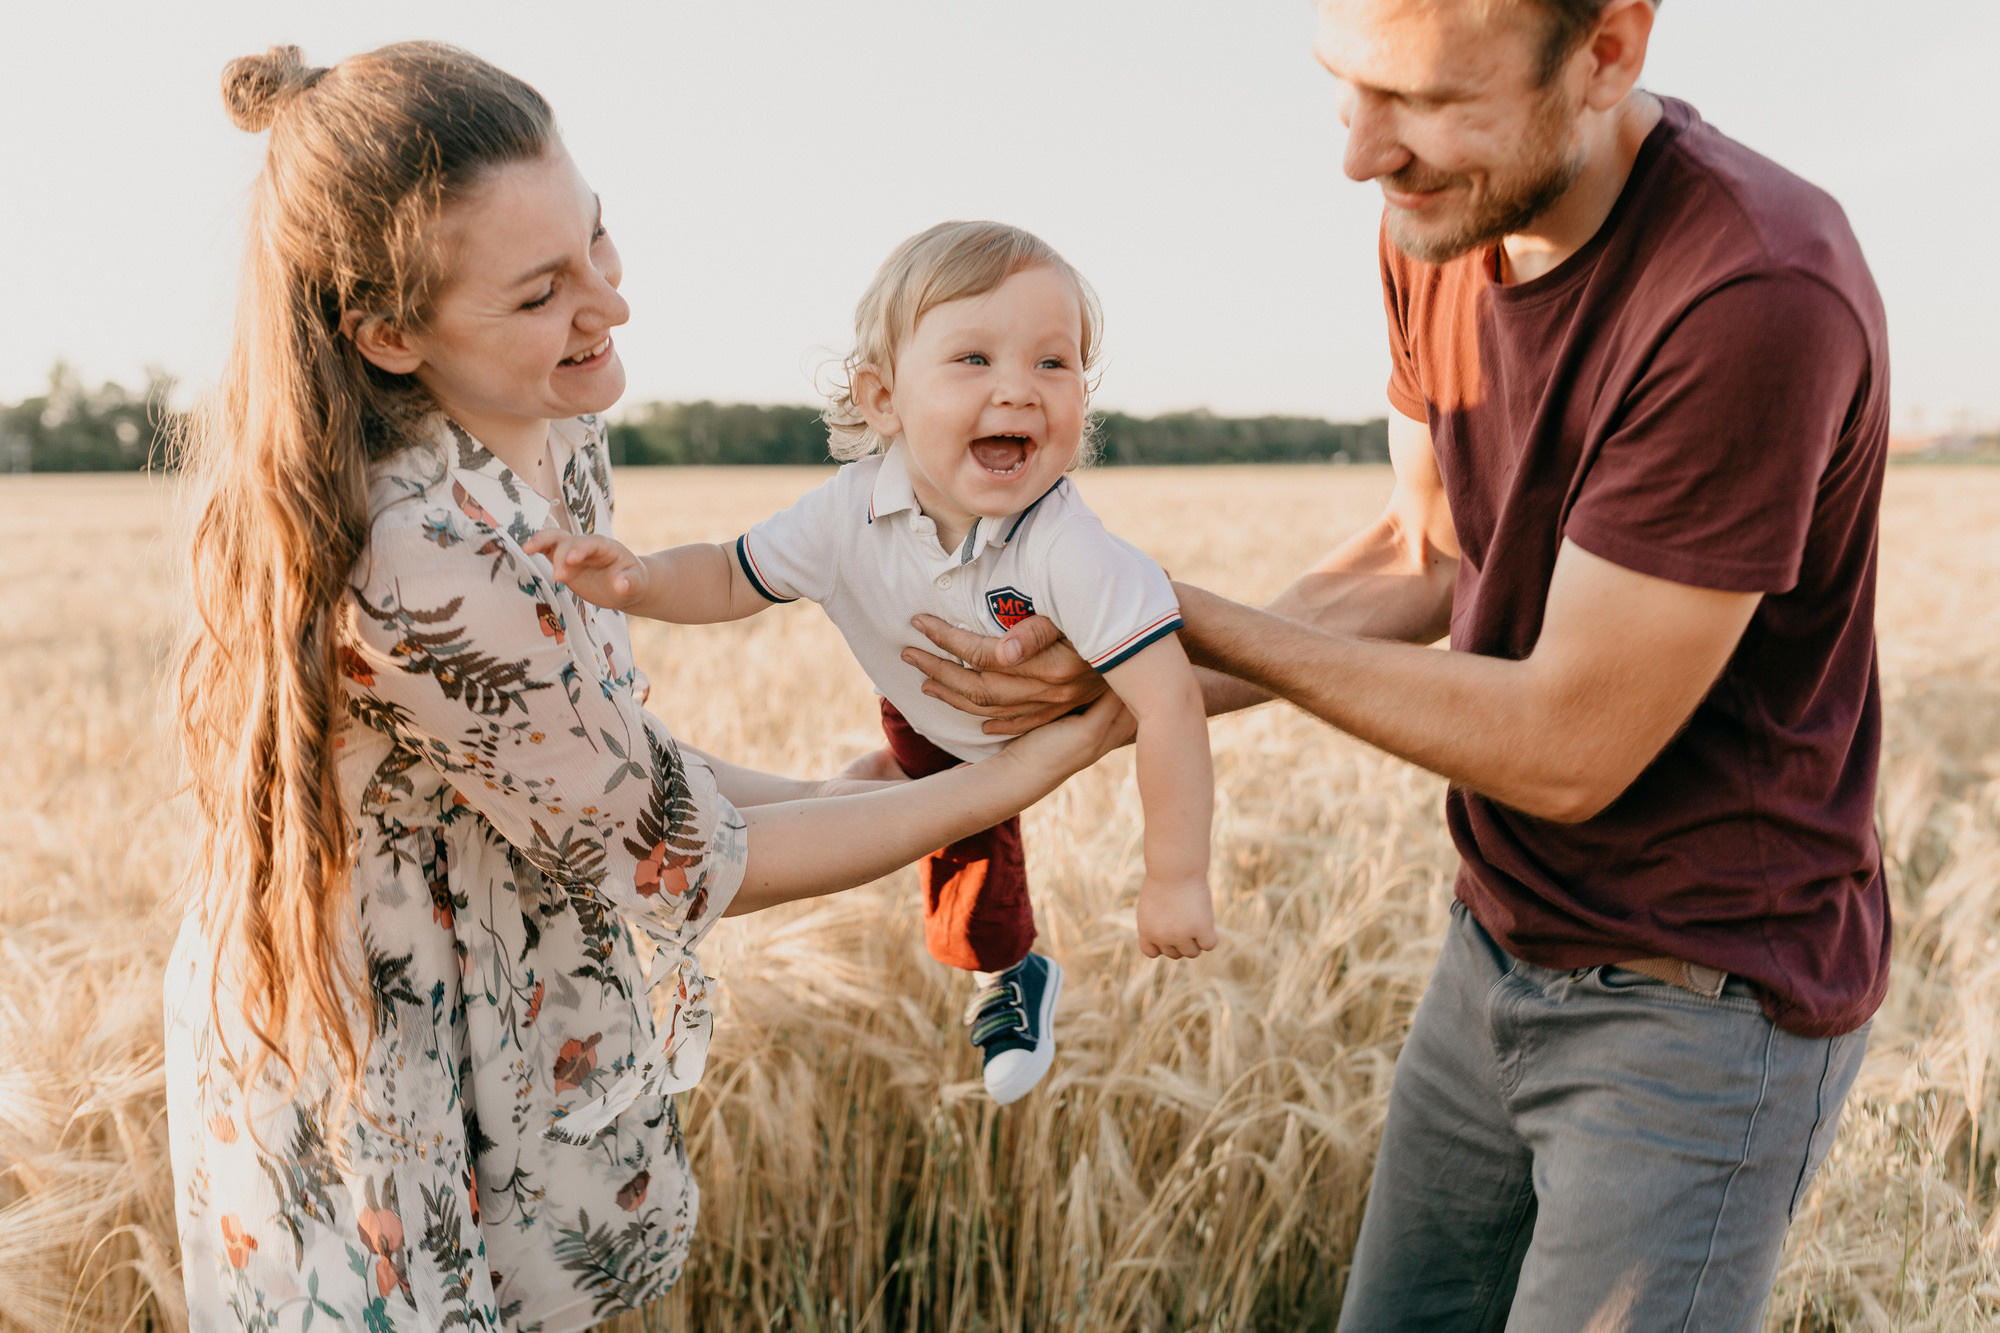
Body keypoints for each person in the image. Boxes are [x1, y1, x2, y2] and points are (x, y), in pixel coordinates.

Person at [888, 0, 1890, 1326]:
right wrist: (1110, 686)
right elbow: (1422, 557)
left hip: (1702, 1006)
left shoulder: (1752, 292)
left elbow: (1568, 746)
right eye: (1346, 87)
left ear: (1608, 54)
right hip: (1496, 941)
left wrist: (1158, 615)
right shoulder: (1446, 217)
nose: (1363, 153)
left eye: (1424, 100)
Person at [164, 43, 1117, 1331]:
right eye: (542, 291)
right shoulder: (419, 556)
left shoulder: (552, 430)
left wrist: (862, 795)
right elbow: (679, 859)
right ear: (388, 333)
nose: (608, 305)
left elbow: (604, 752)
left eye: (596, 243)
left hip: (500, 993)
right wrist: (1014, 773)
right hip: (379, 1061)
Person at [523, 220, 1217, 1107]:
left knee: (969, 847)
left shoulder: (1069, 545)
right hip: (913, 703)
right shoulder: (846, 510)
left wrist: (1175, 876)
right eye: (974, 359)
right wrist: (643, 577)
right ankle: (871, 791)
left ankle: (1008, 969)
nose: (1021, 390)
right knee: (896, 783)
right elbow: (735, 574)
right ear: (882, 399)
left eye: (1055, 363)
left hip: (1004, 732)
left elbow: (1167, 703)